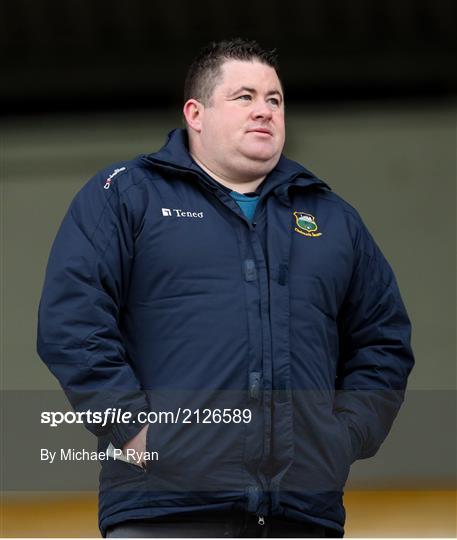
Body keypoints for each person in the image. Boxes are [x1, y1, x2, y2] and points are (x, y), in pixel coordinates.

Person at [37, 38, 414, 538]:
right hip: (163, 513)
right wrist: (134, 431)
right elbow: (72, 319)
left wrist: (340, 438)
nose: (264, 112)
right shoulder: (127, 196)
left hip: (300, 516)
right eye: (244, 98)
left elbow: (384, 340)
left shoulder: (333, 219)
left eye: (274, 100)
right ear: (196, 113)